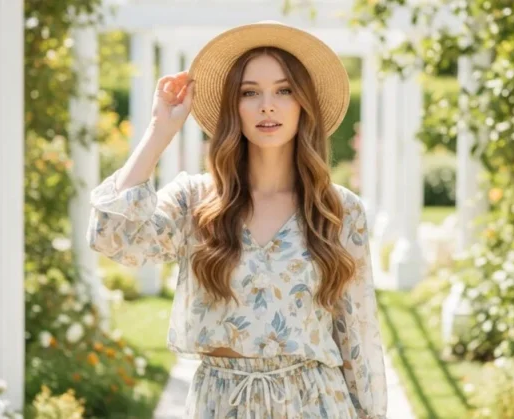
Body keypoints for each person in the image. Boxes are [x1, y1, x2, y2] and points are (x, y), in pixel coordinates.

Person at [87, 21, 388, 419]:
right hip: (222, 402)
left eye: (284, 90)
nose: (268, 105)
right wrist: (160, 130)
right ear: (234, 106)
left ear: (303, 104)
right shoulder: (194, 201)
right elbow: (112, 236)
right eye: (250, 93)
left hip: (316, 403)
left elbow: (358, 334)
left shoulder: (338, 209)